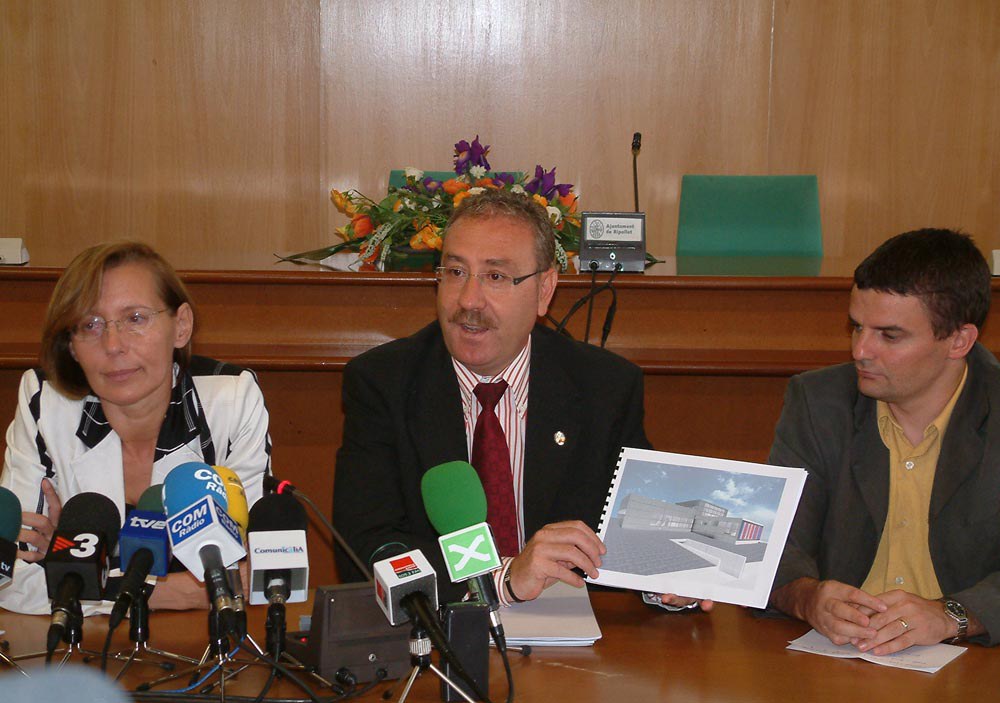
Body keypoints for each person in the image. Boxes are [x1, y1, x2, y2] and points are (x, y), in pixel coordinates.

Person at [334, 188, 708, 609]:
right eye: (455, 272)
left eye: (495, 276)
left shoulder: (604, 387)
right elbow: (366, 550)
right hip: (440, 630)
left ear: (544, 290)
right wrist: (503, 580)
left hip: (574, 633)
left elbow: (634, 530)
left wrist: (666, 583)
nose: (468, 300)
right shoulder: (384, 384)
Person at [0, 241, 271, 614]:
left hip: (200, 640)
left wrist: (71, 572)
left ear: (181, 326)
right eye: (90, 324)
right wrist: (169, 592)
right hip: (85, 641)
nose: (113, 345)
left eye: (136, 318)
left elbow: (252, 572)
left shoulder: (230, 401)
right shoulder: (45, 402)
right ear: (72, 346)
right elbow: (10, 579)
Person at [768, 228, 999, 653]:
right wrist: (807, 597)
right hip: (837, 655)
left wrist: (953, 615)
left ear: (959, 341)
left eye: (889, 335)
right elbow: (775, 541)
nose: (860, 350)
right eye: (857, 327)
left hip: (970, 662)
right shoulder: (818, 402)